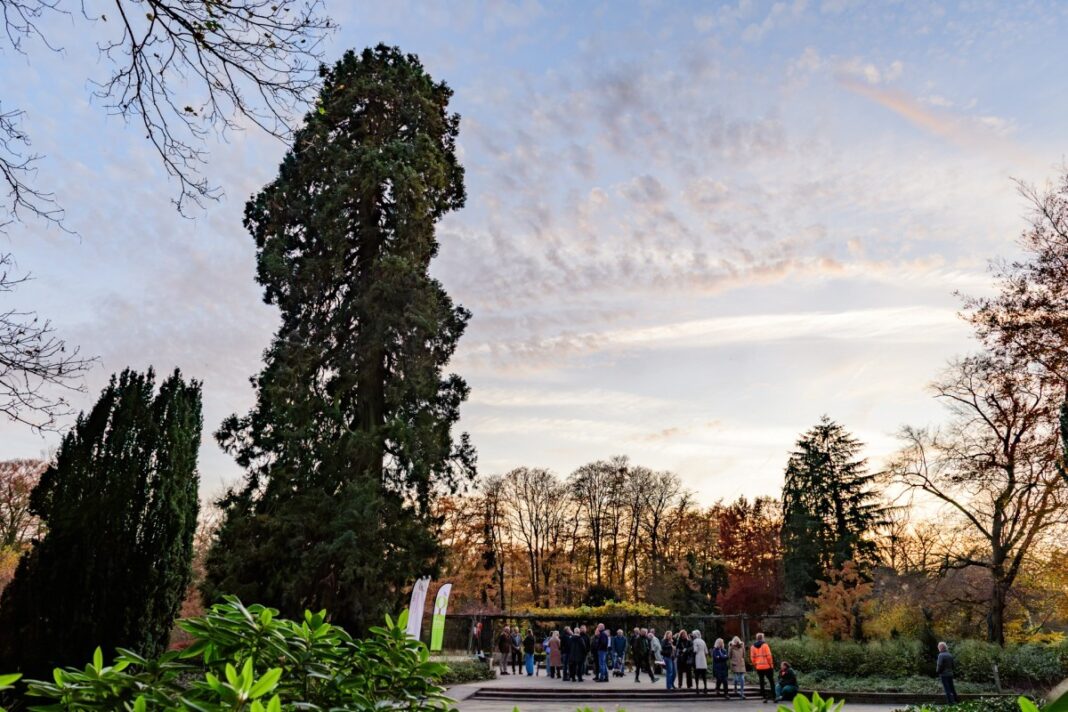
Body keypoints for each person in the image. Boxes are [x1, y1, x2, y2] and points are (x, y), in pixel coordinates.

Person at [750, 632, 774, 701]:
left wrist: (756, 664)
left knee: (761, 681)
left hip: (759, 667)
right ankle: (774, 696)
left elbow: (752, 658)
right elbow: (769, 656)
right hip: (767, 666)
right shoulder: (765, 645)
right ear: (762, 638)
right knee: (771, 681)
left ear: (757, 638)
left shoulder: (752, 647)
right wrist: (771, 665)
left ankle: (764, 697)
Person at [691, 629, 709, 694]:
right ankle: (705, 687)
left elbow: (695, 650)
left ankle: (697, 688)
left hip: (697, 659)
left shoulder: (695, 641)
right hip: (703, 659)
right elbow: (706, 651)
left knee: (697, 675)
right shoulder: (703, 641)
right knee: (704, 675)